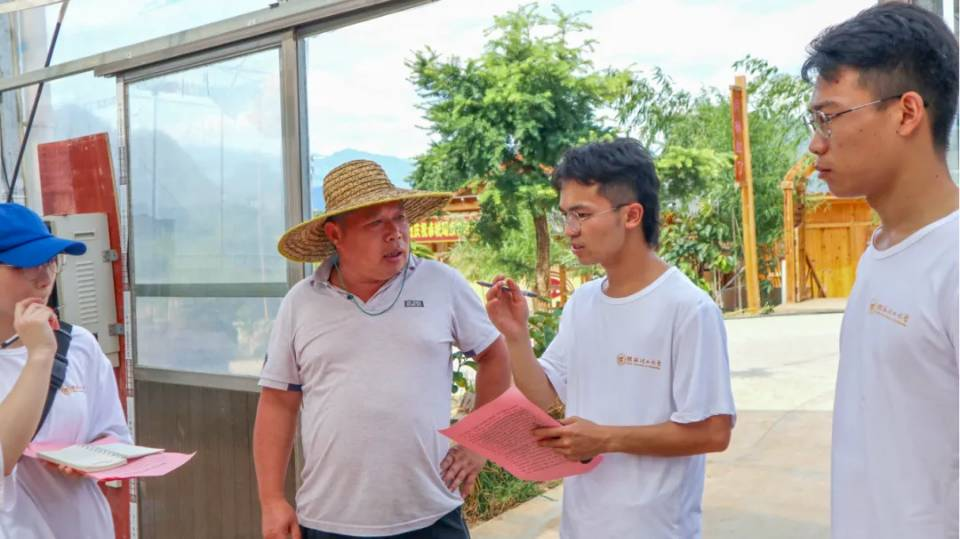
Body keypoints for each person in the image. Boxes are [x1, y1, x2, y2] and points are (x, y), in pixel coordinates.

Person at [485, 139, 735, 538]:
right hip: (581, 525)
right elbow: (544, 397)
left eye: (582, 214)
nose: (570, 230)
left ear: (632, 214)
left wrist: (604, 439)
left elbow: (713, 432)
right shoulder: (583, 302)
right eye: (566, 216)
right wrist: (516, 337)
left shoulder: (688, 308)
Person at [253, 160, 510, 539]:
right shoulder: (302, 302)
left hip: (432, 516)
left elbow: (494, 355)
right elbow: (278, 402)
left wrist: (479, 443)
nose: (395, 234)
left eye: (399, 218)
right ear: (335, 234)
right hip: (329, 520)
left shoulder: (441, 284)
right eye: (376, 223)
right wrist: (272, 500)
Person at [801, 4, 959, 538]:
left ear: (907, 113)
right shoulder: (880, 252)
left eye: (830, 117)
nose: (816, 142)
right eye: (814, 122)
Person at [0, 202, 131, 538]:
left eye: (51, 262)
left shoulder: (79, 344)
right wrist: (40, 355)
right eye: (26, 266)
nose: (44, 280)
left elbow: (115, 434)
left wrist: (95, 456)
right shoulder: (48, 349)